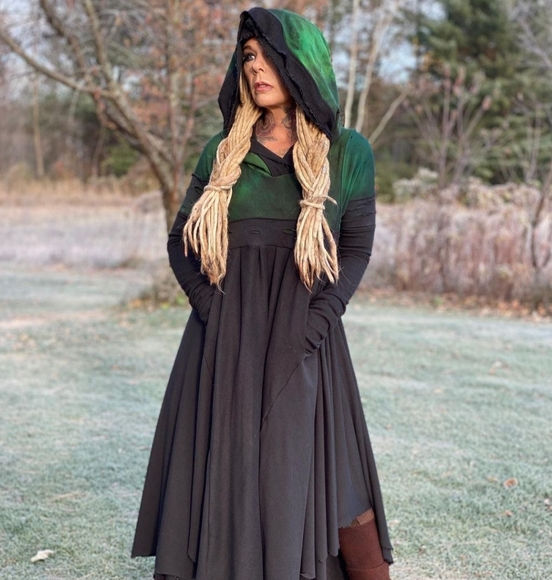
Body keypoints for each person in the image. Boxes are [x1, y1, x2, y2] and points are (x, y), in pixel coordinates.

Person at [131, 7, 393, 580]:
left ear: (303, 64)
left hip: (308, 332)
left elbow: (355, 249)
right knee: (222, 470)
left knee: (337, 476)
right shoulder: (223, 152)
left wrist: (317, 323)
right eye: (248, 56)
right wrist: (212, 309)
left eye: (269, 56)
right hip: (225, 336)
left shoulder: (347, 152)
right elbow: (180, 241)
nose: (255, 67)